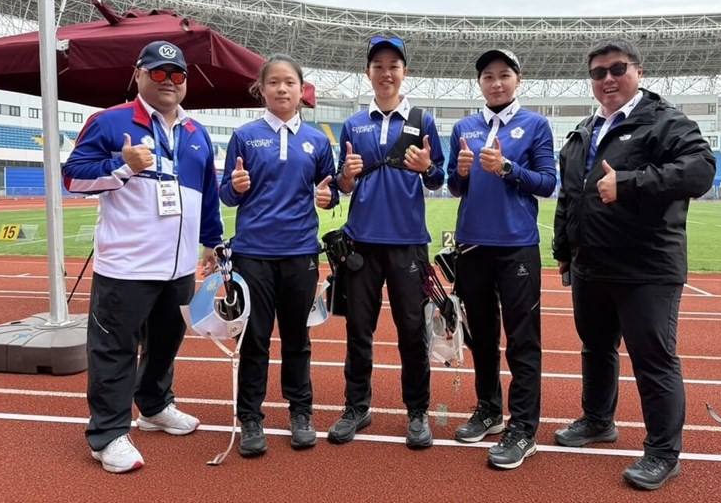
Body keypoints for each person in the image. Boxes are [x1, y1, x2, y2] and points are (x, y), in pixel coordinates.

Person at [552, 38, 715, 490]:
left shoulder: (664, 121)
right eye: (598, 73)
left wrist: (629, 182)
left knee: (653, 360)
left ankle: (663, 452)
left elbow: (701, 171)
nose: (607, 79)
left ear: (638, 72)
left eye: (617, 69)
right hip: (592, 263)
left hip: (646, 266)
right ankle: (598, 420)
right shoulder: (585, 130)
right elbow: (571, 196)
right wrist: (565, 251)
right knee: (596, 348)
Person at [62, 40, 223, 473]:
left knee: (166, 343)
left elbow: (206, 196)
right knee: (114, 350)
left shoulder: (196, 134)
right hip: (126, 266)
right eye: (159, 73)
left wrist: (214, 242)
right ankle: (108, 434)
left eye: (177, 76)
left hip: (179, 267)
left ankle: (153, 405)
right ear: (139, 74)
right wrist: (123, 166)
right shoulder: (110, 122)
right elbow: (72, 178)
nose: (169, 82)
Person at [327, 35, 445, 448]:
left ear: (403, 72)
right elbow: (343, 185)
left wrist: (428, 166)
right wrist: (346, 176)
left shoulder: (422, 120)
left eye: (393, 65)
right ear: (369, 73)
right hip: (361, 242)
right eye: (378, 66)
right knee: (359, 331)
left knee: (412, 332)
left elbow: (438, 178)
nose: (386, 72)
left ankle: (417, 413)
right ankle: (356, 408)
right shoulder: (354, 124)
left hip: (409, 242)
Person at [219, 54, 338, 457]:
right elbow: (227, 193)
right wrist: (235, 186)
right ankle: (250, 418)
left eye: (289, 82)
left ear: (301, 90)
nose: (282, 89)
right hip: (253, 253)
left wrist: (328, 197)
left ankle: (300, 413)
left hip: (301, 252)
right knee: (254, 339)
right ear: (262, 89)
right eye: (274, 83)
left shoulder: (318, 140)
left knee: (297, 339)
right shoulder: (245, 136)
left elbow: (330, 191)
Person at [446, 49, 556, 469]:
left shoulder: (535, 124)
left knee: (523, 340)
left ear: (517, 79)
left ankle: (524, 428)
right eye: (488, 76)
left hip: (517, 247)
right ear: (479, 83)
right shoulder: (465, 127)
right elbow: (458, 189)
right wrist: (460, 172)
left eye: (503, 75)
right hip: (473, 246)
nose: (496, 82)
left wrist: (508, 167)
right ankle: (489, 410)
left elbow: (547, 183)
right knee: (482, 337)